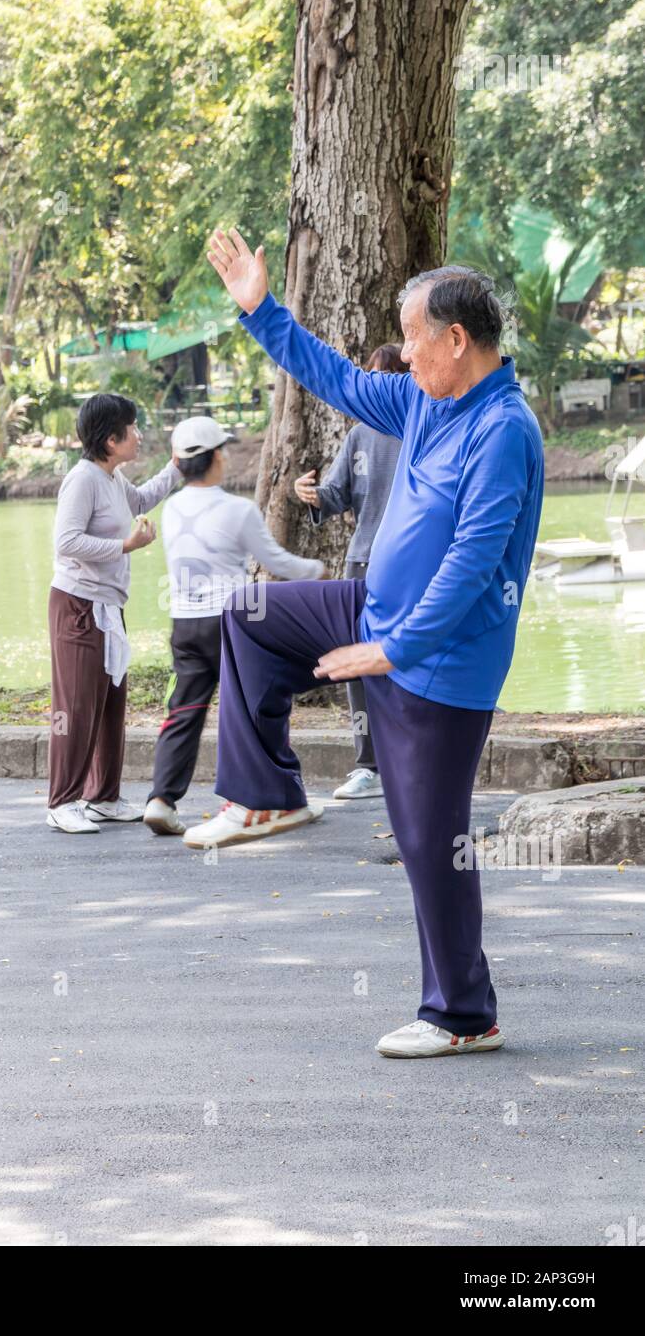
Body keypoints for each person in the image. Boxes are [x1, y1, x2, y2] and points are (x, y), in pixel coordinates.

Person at [188, 226, 544, 1061]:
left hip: (443, 659)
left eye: (415, 336)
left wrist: (395, 650)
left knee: (431, 841)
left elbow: (472, 563)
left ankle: (464, 1016)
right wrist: (258, 309)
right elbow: (338, 377)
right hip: (372, 612)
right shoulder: (422, 399)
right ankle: (267, 791)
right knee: (249, 614)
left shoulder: (505, 432)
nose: (406, 351)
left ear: (457, 339)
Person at [144, 415, 326, 836]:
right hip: (234, 623)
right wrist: (317, 571)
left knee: (185, 710)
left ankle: (161, 798)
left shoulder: (171, 509)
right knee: (246, 710)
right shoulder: (237, 510)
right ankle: (245, 798)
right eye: (223, 451)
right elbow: (277, 562)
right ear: (216, 459)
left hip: (185, 623)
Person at [47, 392, 181, 834]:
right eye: (133, 428)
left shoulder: (112, 478)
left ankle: (103, 796)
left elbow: (139, 502)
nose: (139, 435)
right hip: (78, 605)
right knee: (77, 704)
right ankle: (62, 801)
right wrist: (125, 546)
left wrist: (176, 469)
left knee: (109, 701)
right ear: (110, 440)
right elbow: (66, 542)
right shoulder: (83, 480)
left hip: (108, 604)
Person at [294, 342, 404, 801]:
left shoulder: (424, 431)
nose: (373, 386)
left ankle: (411, 761)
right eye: (368, 377)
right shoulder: (359, 435)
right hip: (362, 562)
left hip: (407, 567)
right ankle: (368, 766)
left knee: (406, 658)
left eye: (383, 377)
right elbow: (336, 494)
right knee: (358, 663)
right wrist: (311, 493)